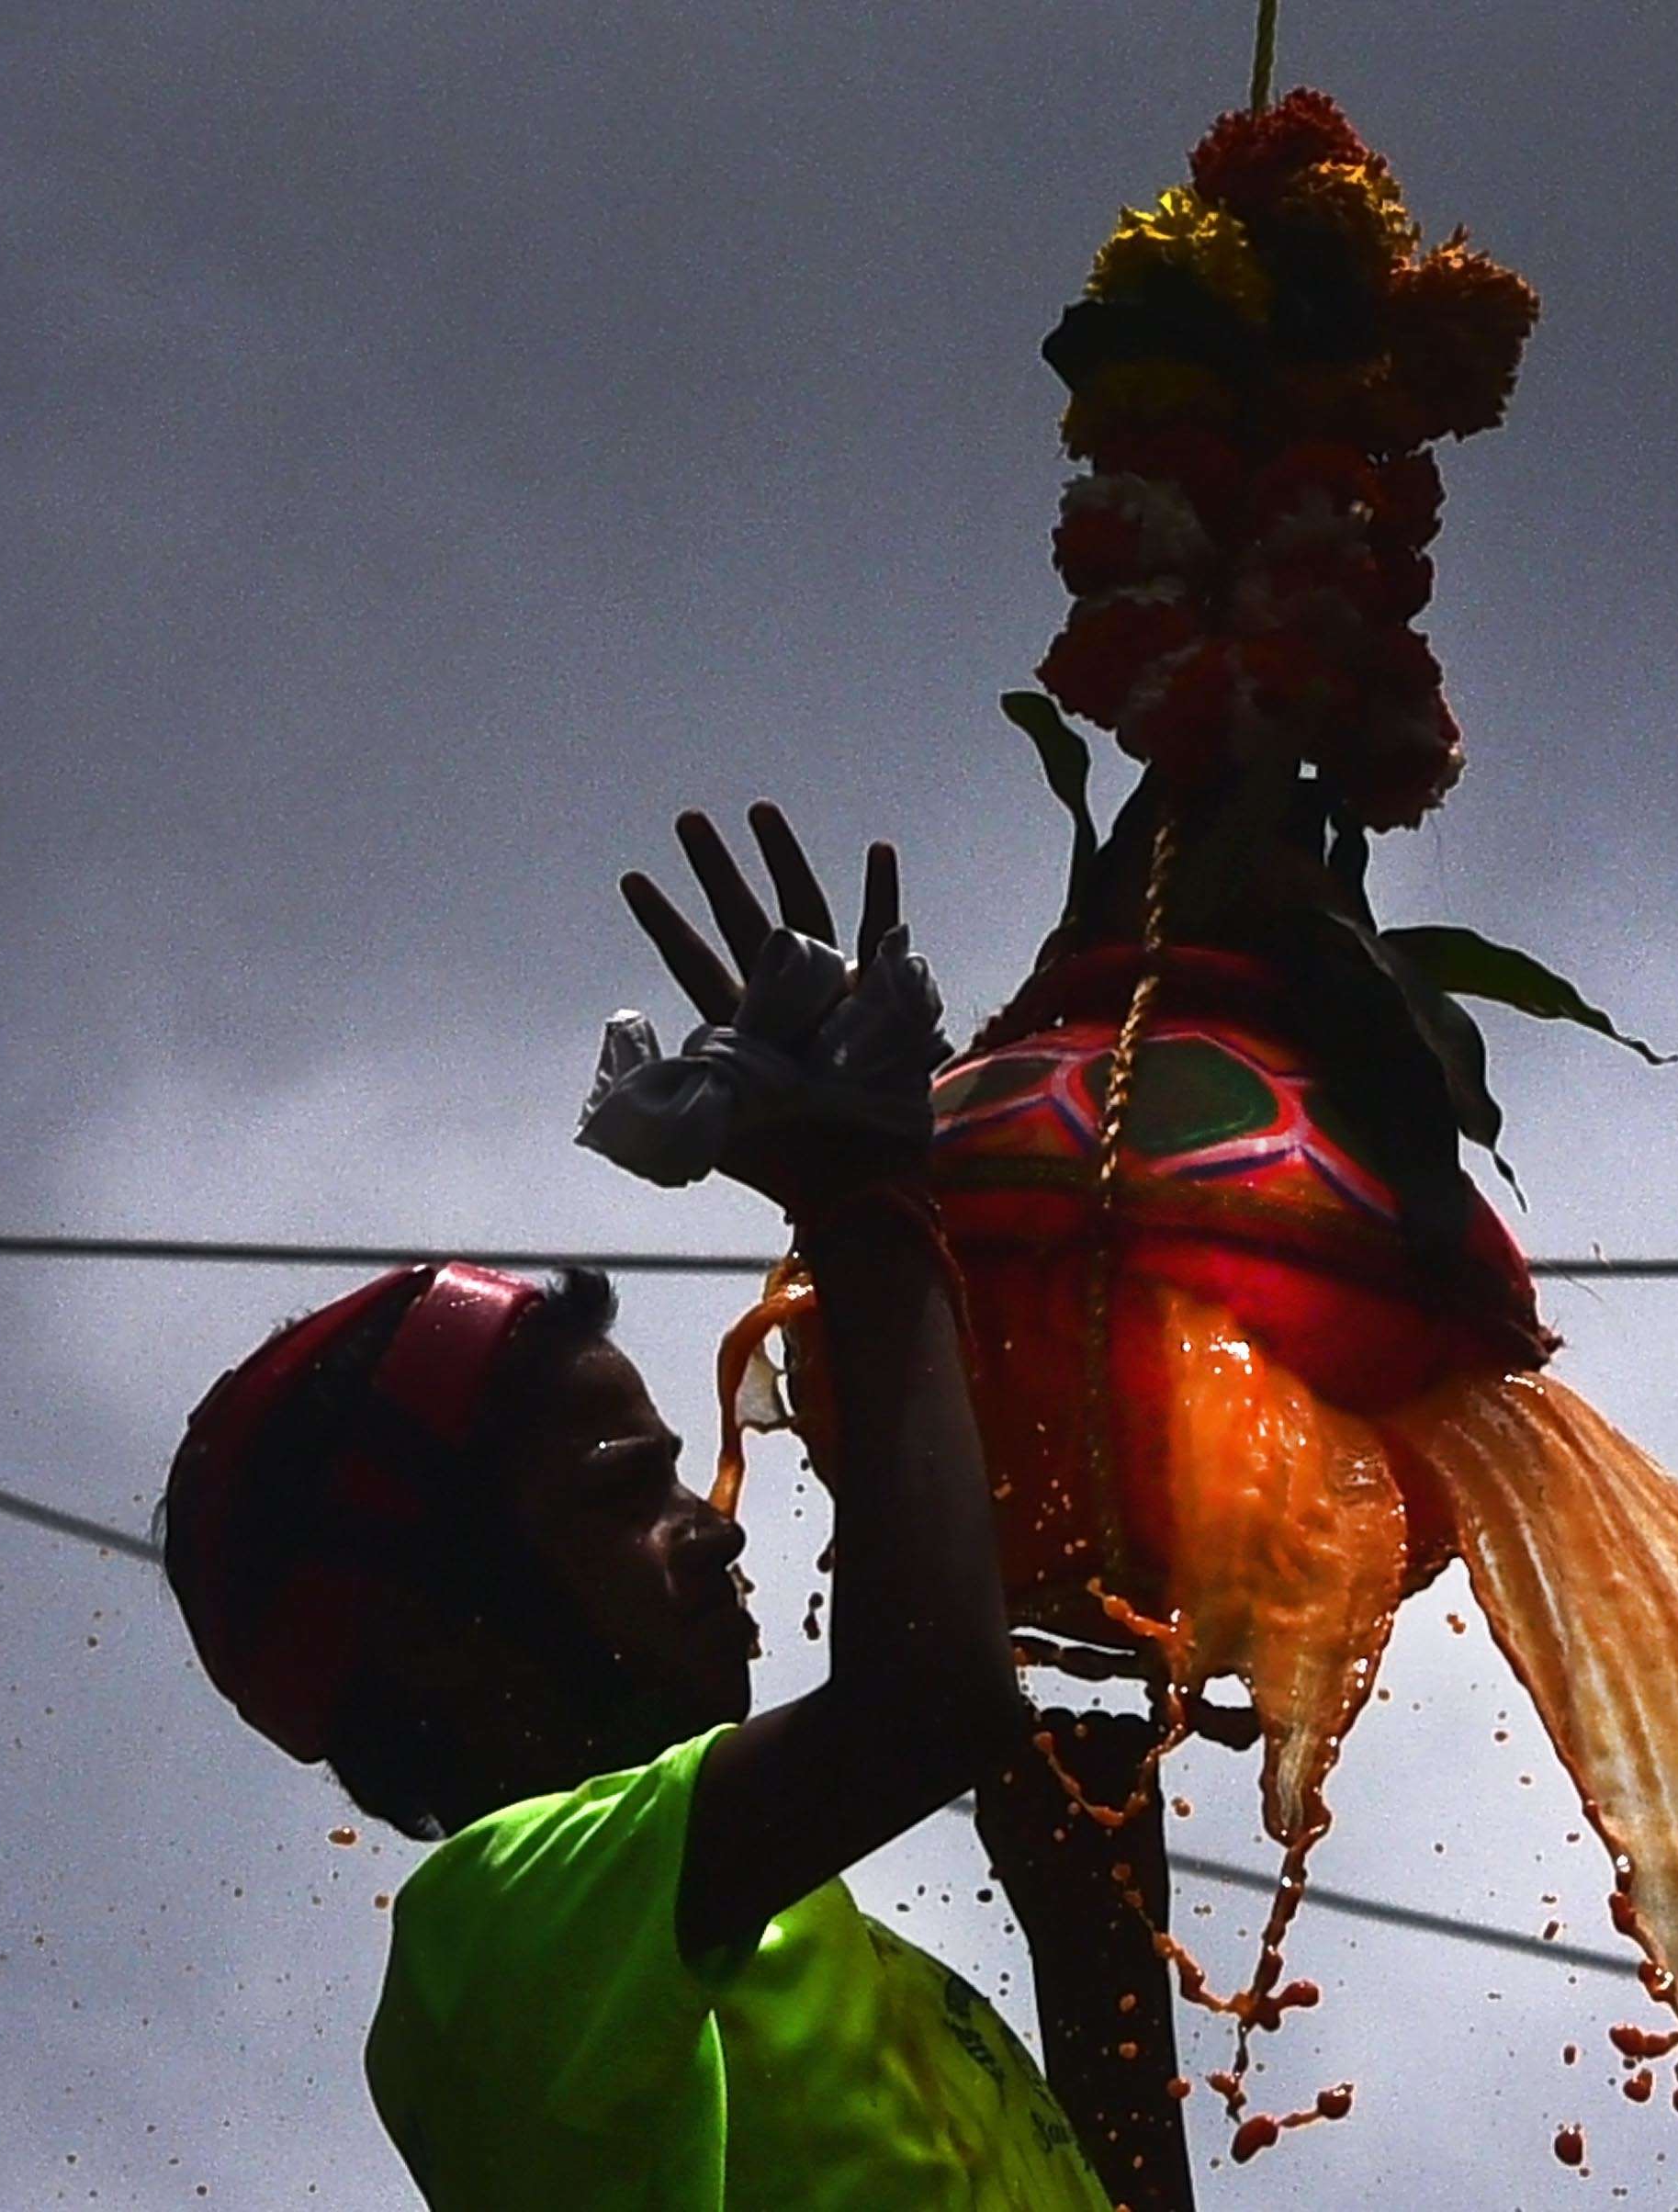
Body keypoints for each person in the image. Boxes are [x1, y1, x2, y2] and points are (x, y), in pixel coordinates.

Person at [152, 806, 1194, 2211]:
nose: (713, 1524)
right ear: (431, 1636)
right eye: (621, 1491)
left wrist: (1095, 1975)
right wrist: (870, 1209)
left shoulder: (818, 1961)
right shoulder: (500, 1928)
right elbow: (931, 1700)